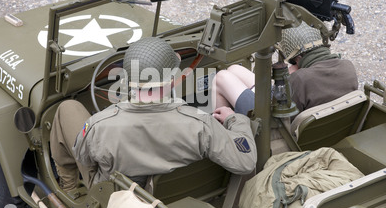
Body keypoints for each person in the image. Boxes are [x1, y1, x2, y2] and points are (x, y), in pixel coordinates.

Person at [50, 37, 257, 192]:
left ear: (128, 80)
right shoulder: (200, 124)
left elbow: (83, 157)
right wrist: (234, 118)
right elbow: (245, 162)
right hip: (179, 199)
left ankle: (69, 191)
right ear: (170, 79)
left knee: (67, 108)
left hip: (114, 200)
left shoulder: (99, 126)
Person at [212, 21, 358, 115]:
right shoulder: (347, 67)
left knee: (221, 77)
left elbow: (276, 116)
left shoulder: (301, 79)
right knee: (233, 70)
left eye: (293, 61)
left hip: (270, 127)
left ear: (299, 59)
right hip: (318, 119)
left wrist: (231, 118)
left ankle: (221, 130)